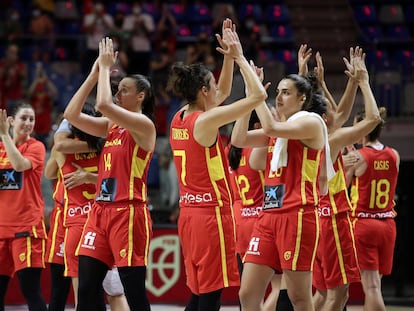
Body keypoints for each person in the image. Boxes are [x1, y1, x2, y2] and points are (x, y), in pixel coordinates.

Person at [167, 18, 267, 311]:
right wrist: (238, 57)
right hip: (212, 215)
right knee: (211, 297)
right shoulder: (207, 120)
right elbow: (258, 96)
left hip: (188, 215)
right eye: (211, 85)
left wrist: (228, 62)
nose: (217, 90)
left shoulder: (180, 116)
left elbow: (221, 93)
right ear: (203, 90)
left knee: (198, 294)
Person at [63, 36, 156, 311]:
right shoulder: (112, 127)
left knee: (134, 291)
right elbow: (71, 114)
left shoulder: (144, 125)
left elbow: (103, 104)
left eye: (124, 90)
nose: (118, 93)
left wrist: (105, 67)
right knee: (87, 289)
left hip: (128, 213)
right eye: (117, 88)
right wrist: (94, 75)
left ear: (141, 96)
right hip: (99, 212)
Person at [232, 61, 333, 310]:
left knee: (299, 298)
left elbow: (271, 126)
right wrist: (249, 100)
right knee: (247, 294)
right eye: (277, 91)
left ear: (302, 98)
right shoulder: (280, 131)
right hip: (268, 216)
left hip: (297, 215)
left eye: (285, 92)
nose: (278, 97)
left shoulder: (309, 122)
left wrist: (256, 93)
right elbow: (239, 139)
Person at [302, 46, 381, 311]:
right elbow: (372, 118)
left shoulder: (301, 134)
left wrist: (321, 84)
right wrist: (364, 83)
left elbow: (340, 113)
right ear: (324, 118)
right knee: (339, 295)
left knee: (322, 294)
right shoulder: (331, 139)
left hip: (314, 216)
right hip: (333, 218)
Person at [347, 107, 399, 311]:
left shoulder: (359, 157)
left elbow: (341, 185)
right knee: (376, 285)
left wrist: (348, 159)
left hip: (364, 224)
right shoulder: (394, 155)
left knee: (372, 287)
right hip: (387, 225)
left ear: (364, 129)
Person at [0, 103, 47, 311]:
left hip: (26, 229)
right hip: (1, 229)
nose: (28, 123)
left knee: (30, 290)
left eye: (32, 119)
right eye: (24, 118)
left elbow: (19, 165)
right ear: (11, 120)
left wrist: (4, 136)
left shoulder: (36, 147)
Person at [0, 43, 26, 111]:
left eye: (15, 52)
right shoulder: (2, 64)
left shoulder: (19, 65)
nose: (13, 54)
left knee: (17, 119)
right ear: (7, 52)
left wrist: (15, 67)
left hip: (17, 97)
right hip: (5, 98)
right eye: (11, 52)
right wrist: (8, 66)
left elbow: (23, 77)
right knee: (5, 119)